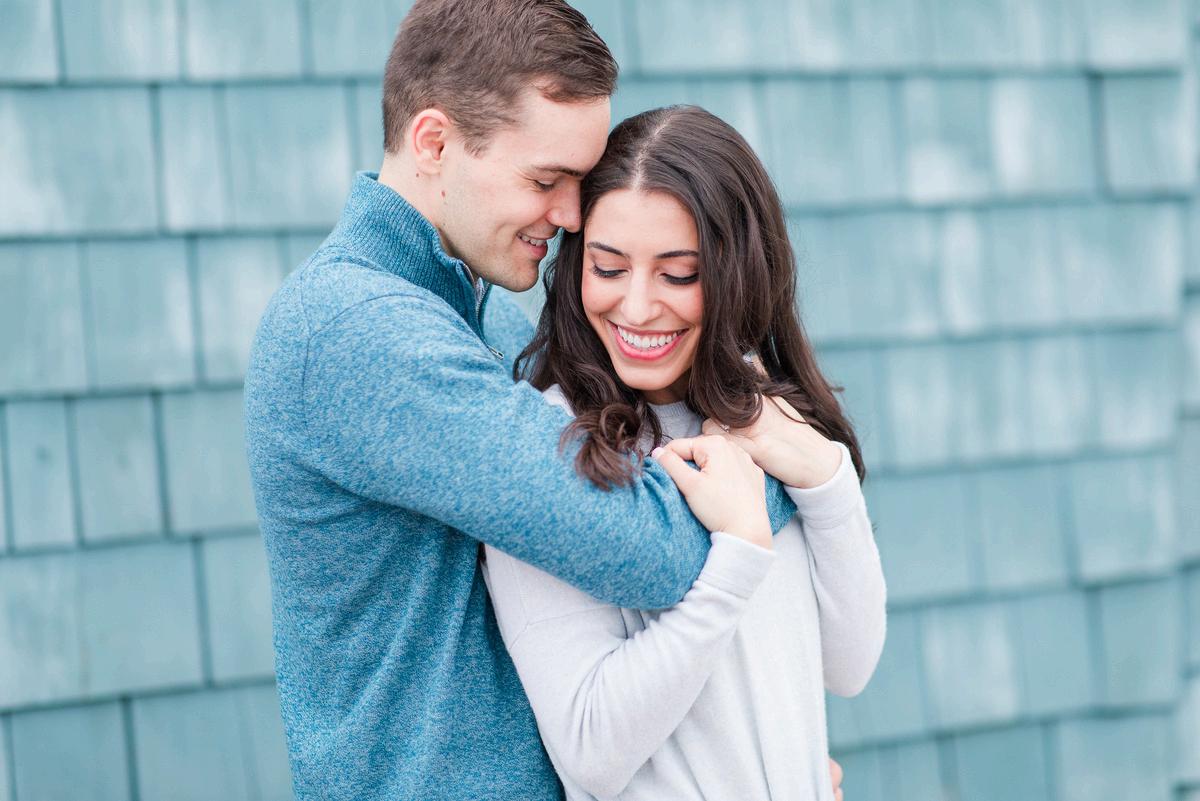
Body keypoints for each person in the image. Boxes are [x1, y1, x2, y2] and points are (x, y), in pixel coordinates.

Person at [243, 2, 811, 799]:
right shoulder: (353, 331)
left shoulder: (485, 319)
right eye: (547, 180)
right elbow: (646, 549)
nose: (573, 214)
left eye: (579, 180)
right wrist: (789, 457)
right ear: (434, 143)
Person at [482, 105, 887, 800]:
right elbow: (589, 745)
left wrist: (828, 478)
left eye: (677, 275)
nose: (638, 308)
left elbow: (847, 667)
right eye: (609, 267)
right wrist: (735, 557)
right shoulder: (550, 445)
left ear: (738, 274)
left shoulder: (767, 417)